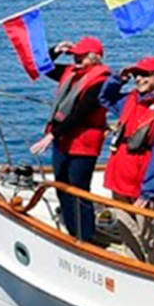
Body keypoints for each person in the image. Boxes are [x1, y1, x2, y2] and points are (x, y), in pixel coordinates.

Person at [30, 36, 112, 242]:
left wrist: (51, 135)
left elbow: (80, 114)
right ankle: (70, 228)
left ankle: (85, 235)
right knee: (61, 185)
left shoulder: (101, 82)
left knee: (79, 190)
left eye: (81, 55)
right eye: (75, 54)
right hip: (63, 140)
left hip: (83, 143)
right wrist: (55, 50)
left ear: (94, 58)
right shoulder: (70, 72)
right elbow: (40, 66)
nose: (76, 58)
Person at [98, 55, 154, 250]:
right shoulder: (129, 100)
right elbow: (104, 97)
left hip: (142, 186)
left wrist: (148, 192)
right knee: (127, 232)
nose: (139, 79)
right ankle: (132, 266)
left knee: (148, 238)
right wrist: (119, 78)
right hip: (119, 178)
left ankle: (153, 271)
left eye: (145, 75)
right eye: (137, 74)